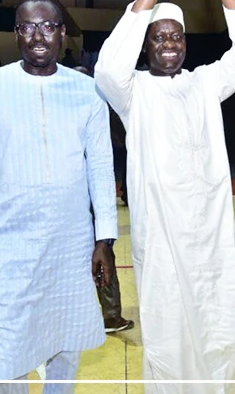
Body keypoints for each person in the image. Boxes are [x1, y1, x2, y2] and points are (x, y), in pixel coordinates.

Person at [94, 0, 235, 390]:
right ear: (145, 45)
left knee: (223, 330)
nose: (169, 44)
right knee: (169, 338)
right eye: (159, 37)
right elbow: (106, 71)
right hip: (162, 243)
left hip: (212, 238)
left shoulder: (205, 83)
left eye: (176, 36)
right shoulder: (133, 92)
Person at [0, 0, 119, 393]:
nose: (38, 36)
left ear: (62, 33)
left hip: (70, 244)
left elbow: (100, 167)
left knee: (67, 340)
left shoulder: (88, 90)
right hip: (9, 246)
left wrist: (104, 240)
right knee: (8, 345)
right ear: (16, 34)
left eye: (48, 26)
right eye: (27, 27)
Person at [73, 65, 137, 334]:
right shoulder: (96, 110)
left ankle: (108, 315)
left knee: (100, 253)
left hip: (88, 197)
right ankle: (105, 315)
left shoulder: (96, 109)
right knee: (95, 253)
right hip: (76, 199)